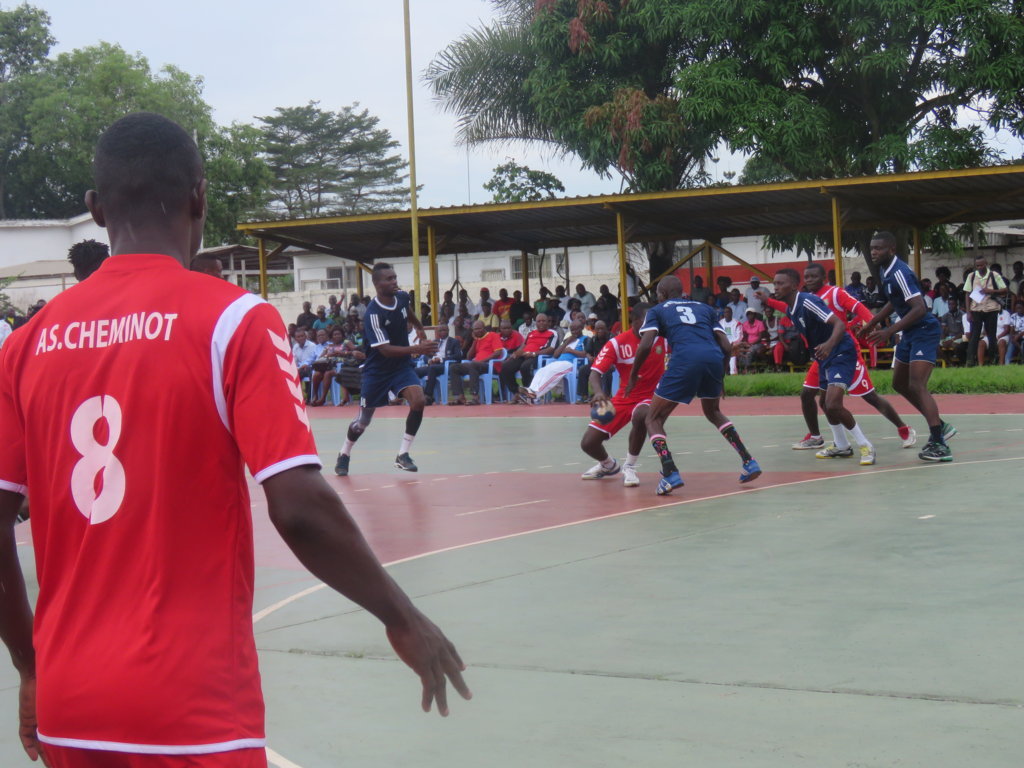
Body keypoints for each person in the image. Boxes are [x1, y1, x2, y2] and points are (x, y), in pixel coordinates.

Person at [0, 112, 469, 768]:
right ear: (200, 196)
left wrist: (30, 665)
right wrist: (401, 615)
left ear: (96, 211)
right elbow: (299, 509)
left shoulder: (26, 344)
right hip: (189, 704)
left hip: (69, 705)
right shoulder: (233, 320)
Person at [629, 275, 762, 495]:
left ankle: (670, 472)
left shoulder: (658, 309)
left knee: (652, 418)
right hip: (712, 359)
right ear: (681, 291)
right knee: (713, 412)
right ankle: (749, 461)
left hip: (684, 360)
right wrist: (721, 377)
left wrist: (634, 374)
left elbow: (645, 344)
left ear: (661, 294)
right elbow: (726, 346)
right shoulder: (704, 308)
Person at [763, 263, 916, 451]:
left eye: (813, 277)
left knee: (869, 397)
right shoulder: (801, 299)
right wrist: (767, 300)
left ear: (823, 279)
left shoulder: (834, 293)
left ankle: (903, 428)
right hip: (822, 355)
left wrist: (871, 322)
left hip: (843, 350)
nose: (809, 280)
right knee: (810, 396)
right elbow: (786, 307)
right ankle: (820, 438)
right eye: (807, 277)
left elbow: (857, 306)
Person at [860, 231, 955, 462]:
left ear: (891, 249)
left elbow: (919, 307)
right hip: (910, 331)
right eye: (872, 248)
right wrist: (872, 322)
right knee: (899, 383)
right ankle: (940, 425)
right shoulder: (886, 270)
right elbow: (895, 301)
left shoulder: (900, 272)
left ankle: (939, 442)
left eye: (878, 248)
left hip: (924, 330)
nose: (873, 252)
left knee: (917, 384)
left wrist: (889, 331)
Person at [335, 263, 437, 476]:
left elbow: (405, 309)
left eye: (394, 277)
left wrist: (419, 326)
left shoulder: (401, 296)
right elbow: (385, 350)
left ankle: (403, 455)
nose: (394, 282)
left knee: (418, 400)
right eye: (388, 279)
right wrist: (418, 348)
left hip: (401, 367)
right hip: (377, 372)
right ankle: (344, 453)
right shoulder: (373, 314)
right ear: (376, 284)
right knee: (362, 422)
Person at [770, 268, 877, 465]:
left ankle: (866, 445)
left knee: (834, 403)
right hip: (824, 356)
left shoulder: (808, 301)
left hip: (841, 351)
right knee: (824, 403)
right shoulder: (791, 308)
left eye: (780, 283)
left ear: (794, 285)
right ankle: (842, 445)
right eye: (774, 283)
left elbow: (839, 324)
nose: (775, 287)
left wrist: (828, 345)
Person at [580, 304, 666, 487]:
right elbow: (595, 372)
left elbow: (688, 351)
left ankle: (630, 466)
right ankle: (608, 465)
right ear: (634, 322)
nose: (652, 326)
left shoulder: (662, 339)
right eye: (646, 322)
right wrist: (599, 393)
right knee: (588, 443)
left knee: (642, 415)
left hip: (651, 397)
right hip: (624, 397)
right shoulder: (617, 343)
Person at [500, 313, 557, 400]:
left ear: (548, 322)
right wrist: (516, 353)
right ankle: (517, 391)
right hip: (524, 355)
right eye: (539, 321)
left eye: (543, 321)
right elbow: (523, 346)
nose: (541, 323)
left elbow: (551, 349)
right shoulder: (531, 333)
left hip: (537, 356)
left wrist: (534, 354)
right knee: (505, 366)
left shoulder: (552, 333)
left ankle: (529, 393)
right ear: (536, 323)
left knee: (525, 367)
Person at [963, 255, 1008, 365]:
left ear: (986, 264)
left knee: (991, 335)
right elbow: (967, 294)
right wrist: (968, 312)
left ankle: (992, 359)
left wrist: (991, 291)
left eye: (981, 265)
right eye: (977, 265)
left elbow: (1005, 289)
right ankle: (969, 361)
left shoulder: (994, 275)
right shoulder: (972, 276)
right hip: (976, 309)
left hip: (991, 309)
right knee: (975, 335)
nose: (979, 267)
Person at [415, 324, 462, 404]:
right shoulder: (435, 342)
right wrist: (430, 360)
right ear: (437, 332)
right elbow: (426, 355)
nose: (442, 332)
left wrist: (440, 360)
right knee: (415, 371)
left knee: (432, 368)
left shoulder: (454, 342)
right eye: (440, 330)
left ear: (448, 331)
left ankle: (428, 396)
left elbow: (458, 356)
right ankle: (418, 394)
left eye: (444, 330)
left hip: (444, 366)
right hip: (432, 365)